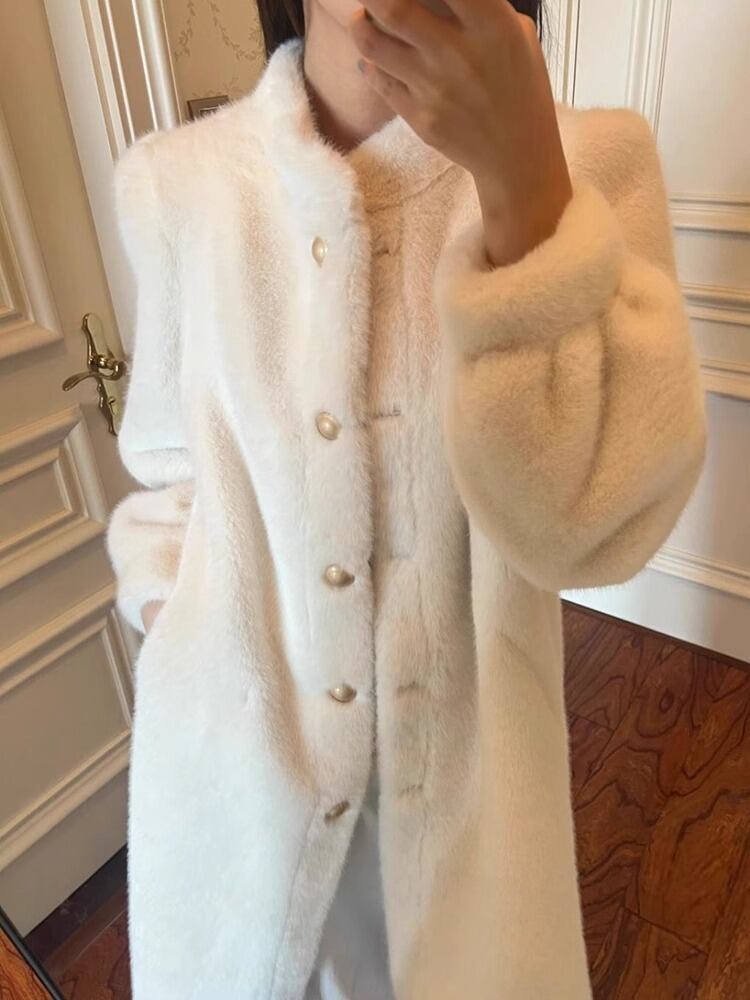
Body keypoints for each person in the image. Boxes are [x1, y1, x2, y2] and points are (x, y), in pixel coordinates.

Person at [105, 0, 707, 997]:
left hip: (474, 830)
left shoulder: (590, 168)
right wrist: (178, 625)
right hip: (229, 806)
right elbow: (170, 468)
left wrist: (523, 188)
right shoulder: (177, 185)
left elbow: (594, 530)